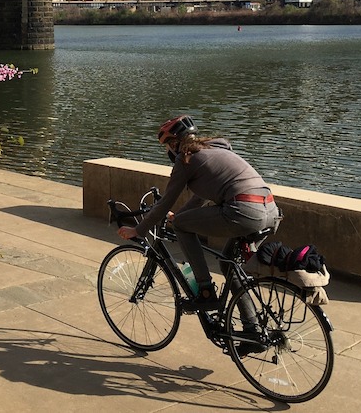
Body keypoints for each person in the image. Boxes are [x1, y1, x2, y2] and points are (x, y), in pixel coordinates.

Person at [117, 115, 281, 312]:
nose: (167, 151)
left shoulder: (186, 159)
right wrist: (179, 215)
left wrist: (139, 230)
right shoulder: (212, 150)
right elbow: (199, 198)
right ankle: (252, 330)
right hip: (271, 210)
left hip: (243, 211)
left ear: (175, 143)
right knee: (228, 265)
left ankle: (205, 292)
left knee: (181, 227)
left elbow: (165, 202)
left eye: (166, 146)